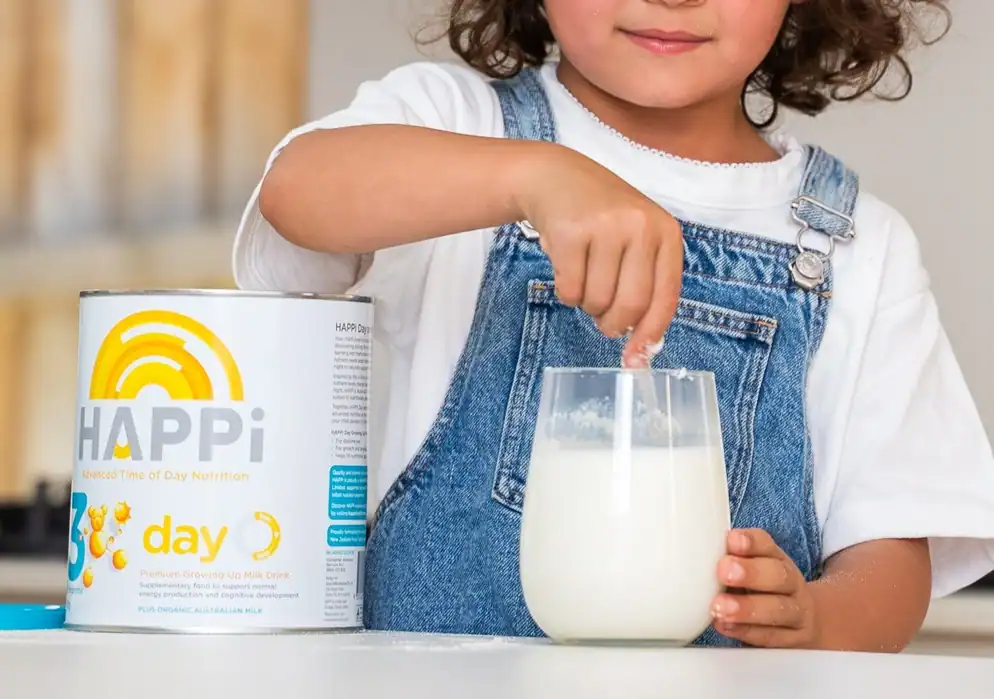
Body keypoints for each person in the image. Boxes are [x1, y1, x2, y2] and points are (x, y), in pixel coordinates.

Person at [233, 0, 994, 651]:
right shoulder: (456, 125)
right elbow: (298, 191)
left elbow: (892, 552)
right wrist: (531, 176)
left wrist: (819, 619)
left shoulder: (857, 244)